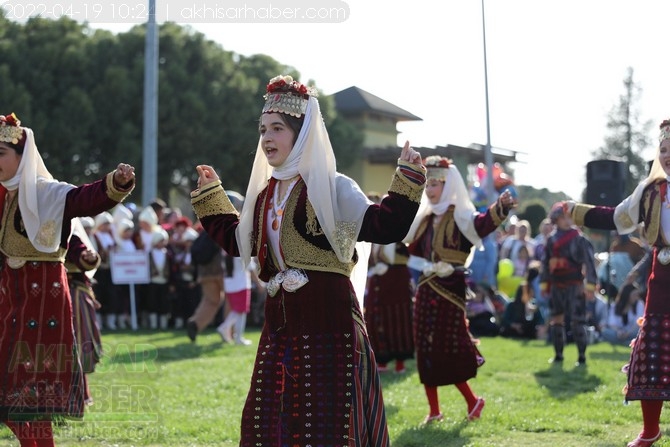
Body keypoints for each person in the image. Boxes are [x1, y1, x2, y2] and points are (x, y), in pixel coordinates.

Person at [190, 74, 425, 446]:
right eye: (263, 128)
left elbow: (384, 226)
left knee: (327, 425)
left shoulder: (334, 186)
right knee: (269, 422)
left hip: (329, 326)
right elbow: (240, 242)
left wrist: (407, 179)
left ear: (302, 133)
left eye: (278, 128)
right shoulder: (266, 194)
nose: (267, 137)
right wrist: (212, 196)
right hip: (281, 325)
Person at [0, 113, 135, 446]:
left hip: (42, 304)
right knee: (10, 396)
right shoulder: (2, 196)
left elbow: (86, 199)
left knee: (29, 400)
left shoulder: (48, 193)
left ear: (22, 155)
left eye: (0, 152)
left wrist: (115, 184)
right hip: (8, 302)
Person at [564, 119, 670, 446]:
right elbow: (617, 217)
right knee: (651, 350)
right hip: (662, 278)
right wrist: (577, 212)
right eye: (663, 149)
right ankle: (650, 430)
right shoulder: (652, 190)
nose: (667, 155)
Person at [405, 155, 514, 424]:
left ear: (448, 185)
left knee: (448, 347)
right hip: (426, 288)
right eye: (427, 186)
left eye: (435, 185)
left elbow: (481, 224)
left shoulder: (461, 215)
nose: (429, 191)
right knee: (425, 348)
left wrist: (499, 208)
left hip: (450, 291)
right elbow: (411, 248)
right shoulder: (425, 218)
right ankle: (434, 410)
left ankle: (472, 401)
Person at [540, 202, 597, 366]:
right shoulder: (550, 240)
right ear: (556, 219)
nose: (567, 220)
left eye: (569, 217)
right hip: (557, 284)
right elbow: (545, 263)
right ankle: (558, 355)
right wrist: (545, 283)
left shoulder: (579, 239)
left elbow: (589, 263)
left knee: (577, 320)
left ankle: (581, 357)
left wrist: (590, 285)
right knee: (556, 320)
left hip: (575, 284)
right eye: (563, 217)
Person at [65, 218, 103, 407]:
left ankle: (76, 397)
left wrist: (87, 257)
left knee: (75, 346)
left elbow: (80, 252)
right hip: (27, 292)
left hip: (70, 294)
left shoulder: (68, 232)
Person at [364, 241, 415, 373]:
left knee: (398, 318)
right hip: (377, 282)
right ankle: (381, 359)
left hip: (396, 282)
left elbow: (408, 253)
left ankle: (400, 361)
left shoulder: (399, 236)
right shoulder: (372, 238)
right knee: (374, 317)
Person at [216, 253, 264, 345]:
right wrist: (259, 284)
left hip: (229, 284)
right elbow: (250, 268)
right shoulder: (242, 249)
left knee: (238, 310)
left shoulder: (225, 248)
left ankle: (229, 330)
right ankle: (235, 335)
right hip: (241, 283)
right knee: (241, 311)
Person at [500, 264, 545, 340]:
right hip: (514, 329)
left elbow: (540, 320)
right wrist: (514, 325)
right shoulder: (512, 304)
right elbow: (505, 320)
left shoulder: (533, 304)